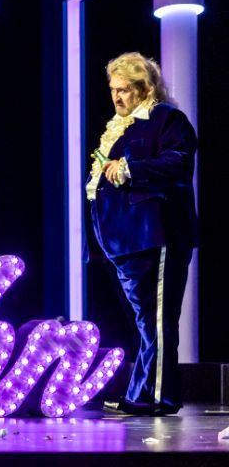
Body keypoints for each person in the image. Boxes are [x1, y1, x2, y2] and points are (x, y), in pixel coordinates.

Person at [86, 52, 197, 416]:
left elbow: (178, 162)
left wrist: (131, 168)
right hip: (122, 241)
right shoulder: (122, 126)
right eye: (113, 90)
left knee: (159, 319)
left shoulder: (165, 119)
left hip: (156, 235)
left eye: (125, 90)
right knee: (146, 321)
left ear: (145, 88)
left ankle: (161, 397)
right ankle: (142, 392)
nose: (117, 97)